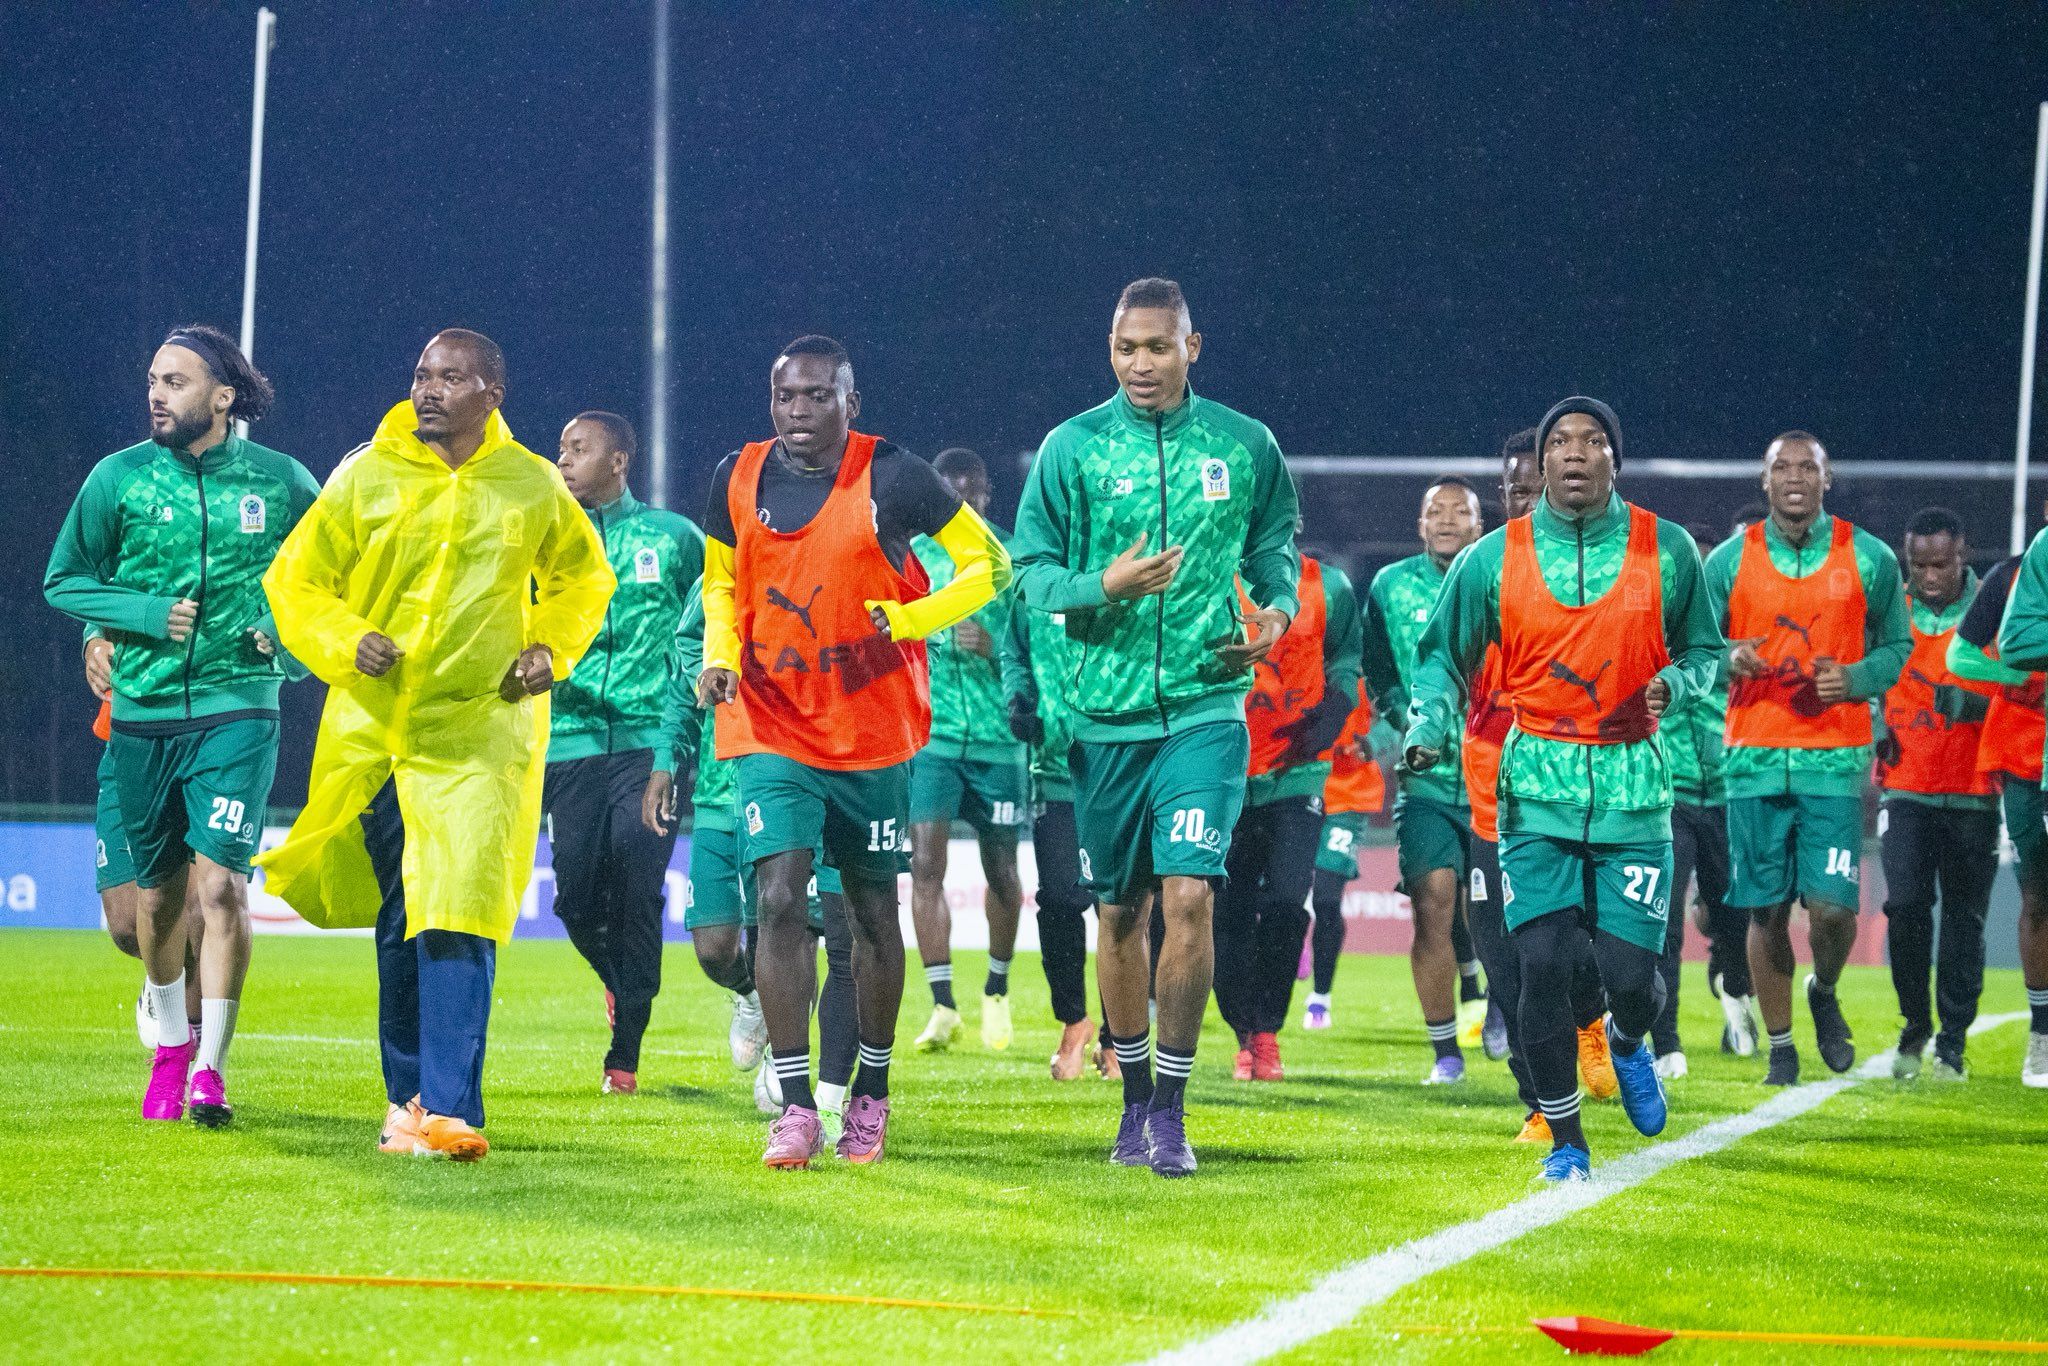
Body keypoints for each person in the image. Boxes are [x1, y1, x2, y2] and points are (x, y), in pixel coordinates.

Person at [258, 329, 614, 1162]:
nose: (428, 389)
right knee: (403, 917)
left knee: (460, 908)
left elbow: (583, 578)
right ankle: (408, 1100)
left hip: (481, 733)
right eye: (421, 373)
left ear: (492, 392)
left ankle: (449, 1109)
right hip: (380, 733)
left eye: (451, 377)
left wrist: (550, 650)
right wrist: (347, 641)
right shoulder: (365, 475)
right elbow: (295, 580)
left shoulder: (531, 484)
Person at [1013, 277, 1299, 1177]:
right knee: (1121, 912)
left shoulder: (1245, 444)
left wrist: (1275, 615)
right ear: (1110, 349)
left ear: (1193, 348)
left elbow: (1275, 543)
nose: (1142, 363)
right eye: (1126, 347)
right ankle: (1133, 1103)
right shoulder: (1073, 447)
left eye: (1158, 347)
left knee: (1189, 896)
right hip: (1106, 722)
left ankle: (1172, 1111)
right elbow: (1028, 574)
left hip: (1208, 710)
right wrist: (1105, 586)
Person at [698, 335, 1007, 1168]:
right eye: (784, 397)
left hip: (870, 731)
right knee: (778, 895)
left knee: (869, 918)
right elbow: (722, 583)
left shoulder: (895, 476)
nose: (798, 413)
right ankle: (796, 1105)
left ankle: (870, 1088)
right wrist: (719, 655)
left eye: (816, 397)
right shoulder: (737, 475)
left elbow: (992, 566)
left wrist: (911, 619)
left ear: (850, 402)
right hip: (770, 723)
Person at [1407, 397, 1722, 1181]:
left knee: (1628, 980)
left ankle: (1627, 1040)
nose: (1576, 453)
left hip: (1634, 791)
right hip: (1532, 790)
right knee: (1539, 967)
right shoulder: (1493, 558)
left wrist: (1678, 686)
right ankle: (1566, 1140)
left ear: (1616, 458)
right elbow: (1441, 656)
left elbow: (1707, 651)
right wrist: (1429, 724)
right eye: (1561, 443)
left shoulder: (1668, 548)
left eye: (1594, 442)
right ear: (1539, 463)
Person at [45, 324, 317, 1126]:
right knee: (148, 916)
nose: (157, 394)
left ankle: (204, 1066)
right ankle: (171, 1029)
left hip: (241, 706)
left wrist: (290, 650)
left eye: (175, 381)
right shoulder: (117, 478)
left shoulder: (283, 481)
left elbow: (330, 581)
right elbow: (66, 578)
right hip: (140, 716)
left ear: (223, 396)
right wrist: (129, 620)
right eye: (153, 381)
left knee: (222, 890)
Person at [1704, 432, 1910, 1085]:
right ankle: (1784, 1047)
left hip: (1832, 762)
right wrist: (1726, 656)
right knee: (1763, 911)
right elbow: (1690, 648)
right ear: (1764, 482)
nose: (1794, 478)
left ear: (1828, 479)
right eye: (1781, 468)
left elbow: (1897, 648)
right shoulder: (1730, 561)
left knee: (1833, 912)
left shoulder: (1869, 558)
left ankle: (1824, 988)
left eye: (1807, 468)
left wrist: (1852, 679)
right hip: (1753, 761)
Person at [645, 580, 861, 1140]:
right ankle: (753, 1000)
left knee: (790, 930)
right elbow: (682, 672)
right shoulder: (717, 579)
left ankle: (790, 1070)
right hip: (721, 790)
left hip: (793, 779)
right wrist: (666, 760)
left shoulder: (821, 559)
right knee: (714, 948)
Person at [1458, 429, 1611, 1143]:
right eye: (1513, 488)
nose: (1524, 498)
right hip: (1491, 799)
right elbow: (1440, 667)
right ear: (1504, 495)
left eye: (1535, 485)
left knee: (1565, 948)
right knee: (1504, 962)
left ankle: (1590, 1020)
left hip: (1568, 801)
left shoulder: (1587, 571)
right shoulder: (1479, 572)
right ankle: (1540, 1108)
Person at [544, 411, 704, 1094]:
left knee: (638, 894)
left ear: (619, 460)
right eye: (561, 450)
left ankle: (625, 1055)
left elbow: (713, 617)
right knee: (576, 899)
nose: (565, 461)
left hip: (649, 745)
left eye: (579, 450)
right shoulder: (547, 541)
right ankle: (619, 984)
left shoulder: (673, 539)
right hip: (569, 742)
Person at [1214, 543, 1361, 1080]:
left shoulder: (1329, 587)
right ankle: (1242, 1033)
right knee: (1227, 912)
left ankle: (1267, 1032)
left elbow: (1346, 656)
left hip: (1297, 771)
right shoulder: (1213, 575)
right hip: (1224, 768)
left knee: (1284, 900)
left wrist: (1337, 709)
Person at [1364, 476, 1491, 1083]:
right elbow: (1378, 667)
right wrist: (1403, 722)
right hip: (1427, 781)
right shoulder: (1389, 587)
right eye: (1433, 511)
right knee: (1434, 900)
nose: (1445, 520)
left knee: (1495, 912)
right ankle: (1445, 1049)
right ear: (1419, 525)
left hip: (1499, 775)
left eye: (1457, 512)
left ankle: (1498, 1002)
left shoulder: (1497, 576)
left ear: (1478, 524)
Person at [906, 447, 1030, 1054]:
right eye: (951, 494)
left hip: (998, 741)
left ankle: (997, 992)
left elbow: (1036, 645)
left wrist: (995, 644)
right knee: (924, 866)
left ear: (986, 495)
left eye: (972, 492)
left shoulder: (1009, 557)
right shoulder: (912, 557)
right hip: (930, 740)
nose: (964, 502)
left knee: (1002, 870)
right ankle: (943, 1006)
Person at [1875, 508, 1997, 1080]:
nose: (1927, 575)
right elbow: (1865, 675)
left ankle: (1951, 1040)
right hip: (1906, 791)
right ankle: (1914, 1023)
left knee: (1964, 923)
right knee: (1903, 907)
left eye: (1940, 564)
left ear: (1963, 555)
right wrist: (1875, 725)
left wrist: (1980, 707)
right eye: (1917, 563)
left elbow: (2028, 691)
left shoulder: (1996, 609)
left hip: (1975, 790)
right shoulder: (1889, 609)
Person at [1949, 531, 2048, 1087]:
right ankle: (2042, 1035)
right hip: (2025, 754)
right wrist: (2021, 679)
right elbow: (1959, 654)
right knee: (2040, 892)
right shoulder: (2009, 577)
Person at [1002, 578, 1104, 1080]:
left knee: (1122, 904)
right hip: (1054, 770)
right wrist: (1018, 700)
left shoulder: (1116, 564)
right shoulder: (1033, 589)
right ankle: (1074, 1020)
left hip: (1116, 766)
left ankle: (1122, 1036)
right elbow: (1015, 654)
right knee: (1060, 900)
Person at [81, 649, 205, 1048]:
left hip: (210, 734)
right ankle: (164, 977)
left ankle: (195, 1062)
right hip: (130, 738)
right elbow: (94, 594)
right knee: (126, 926)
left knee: (203, 912)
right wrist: (93, 641)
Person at [1300, 681, 1386, 1031]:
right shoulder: (1298, 660)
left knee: (1326, 899)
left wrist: (1375, 741)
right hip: (1300, 785)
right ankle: (1294, 948)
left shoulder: (1366, 664)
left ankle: (1320, 998)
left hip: (1349, 796)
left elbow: (1399, 708)